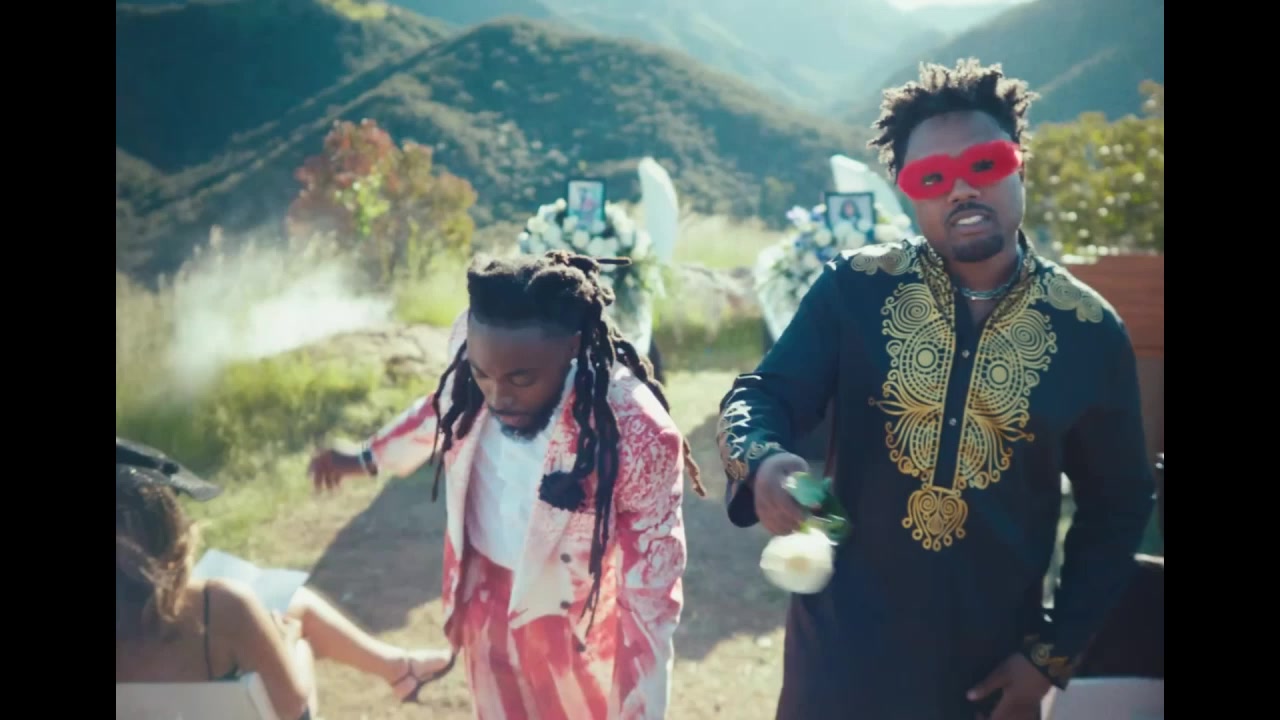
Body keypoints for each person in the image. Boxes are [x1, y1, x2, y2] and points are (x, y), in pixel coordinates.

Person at [714, 59, 1155, 720]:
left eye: (984, 164)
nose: (961, 190)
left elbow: (1117, 505)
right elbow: (762, 394)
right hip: (838, 654)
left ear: (1020, 166)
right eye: (932, 177)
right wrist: (765, 461)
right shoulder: (855, 288)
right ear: (909, 194)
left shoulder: (1088, 330)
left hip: (987, 673)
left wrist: (1052, 656)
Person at [308, 250, 704, 719]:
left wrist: (640, 711)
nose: (497, 396)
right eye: (483, 374)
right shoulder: (480, 349)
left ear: (573, 347)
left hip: (573, 620)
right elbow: (442, 404)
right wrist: (367, 457)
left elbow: (651, 598)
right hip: (482, 595)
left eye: (521, 379)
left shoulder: (637, 432)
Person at [115, 438, 449, 720]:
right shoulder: (219, 606)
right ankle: (397, 668)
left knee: (293, 602)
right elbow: (293, 711)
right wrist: (289, 646)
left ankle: (398, 668)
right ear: (169, 529)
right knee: (295, 629)